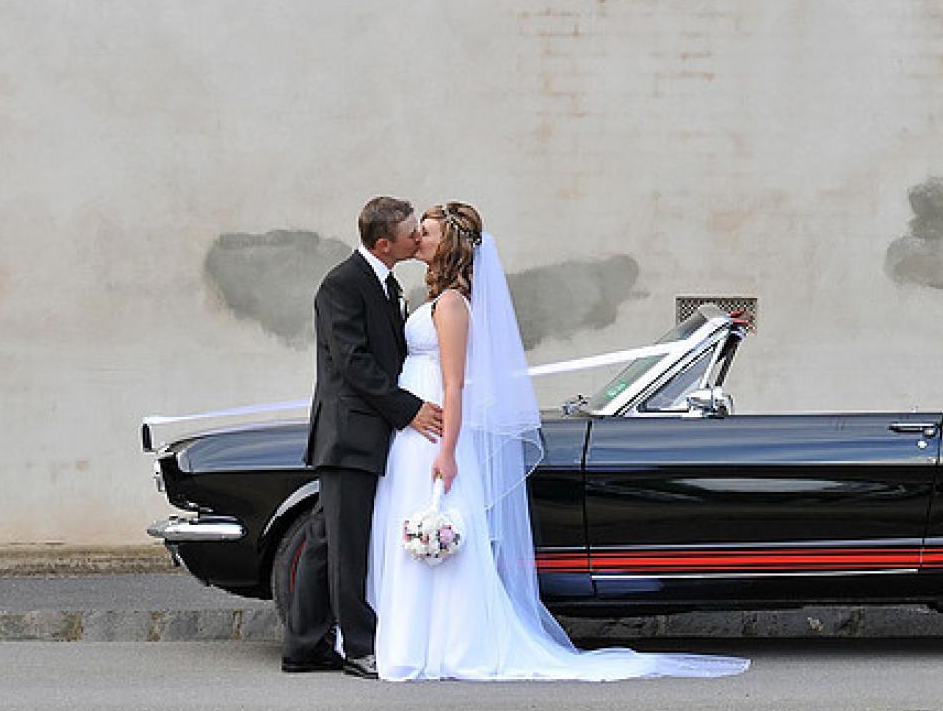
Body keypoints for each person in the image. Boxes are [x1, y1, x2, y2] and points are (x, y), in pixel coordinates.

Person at [367, 202, 749, 682]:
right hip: (416, 428)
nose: (417, 238)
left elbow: (455, 384)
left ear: (449, 245)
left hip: (436, 430)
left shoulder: (451, 305)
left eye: (427, 232)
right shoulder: (438, 300)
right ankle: (414, 640)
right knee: (414, 525)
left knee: (438, 527)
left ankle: (445, 644)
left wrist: (447, 449)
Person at [283, 197, 446, 679]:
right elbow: (353, 363)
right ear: (383, 243)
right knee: (347, 549)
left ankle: (304, 646)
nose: (417, 238)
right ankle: (359, 647)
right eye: (411, 233)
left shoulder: (386, 283)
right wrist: (409, 409)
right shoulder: (343, 284)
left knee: (324, 542)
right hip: (348, 435)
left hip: (366, 433)